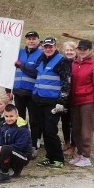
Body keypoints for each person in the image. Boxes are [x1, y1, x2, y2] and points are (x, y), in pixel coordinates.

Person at [31, 37, 71, 168]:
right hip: (39, 101)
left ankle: (58, 159)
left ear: (55, 47)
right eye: (46, 47)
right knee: (43, 130)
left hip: (53, 103)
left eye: (51, 47)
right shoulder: (42, 58)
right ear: (43, 47)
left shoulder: (61, 61)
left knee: (50, 131)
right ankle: (49, 157)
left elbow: (67, 82)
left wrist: (62, 101)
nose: (48, 49)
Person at [69, 39, 94, 168]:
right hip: (74, 101)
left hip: (88, 102)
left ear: (90, 51)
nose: (82, 51)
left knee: (86, 130)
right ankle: (79, 153)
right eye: (80, 49)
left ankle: (86, 156)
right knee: (76, 129)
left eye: (85, 49)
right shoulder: (74, 64)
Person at [7, 30, 42, 152]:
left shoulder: (41, 54)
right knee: (20, 119)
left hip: (32, 92)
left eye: (34, 38)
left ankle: (34, 142)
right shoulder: (19, 52)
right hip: (18, 91)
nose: (31, 41)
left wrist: (21, 65)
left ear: (38, 40)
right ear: (25, 40)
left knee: (34, 119)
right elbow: (9, 70)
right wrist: (8, 89)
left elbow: (35, 72)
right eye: (29, 39)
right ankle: (23, 141)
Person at [0, 104, 34, 184]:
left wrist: (2, 148)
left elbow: (20, 146)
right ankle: (11, 169)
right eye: (6, 116)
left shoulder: (22, 128)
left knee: (5, 148)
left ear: (17, 116)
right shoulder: (4, 127)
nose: (9, 119)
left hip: (23, 156)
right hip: (10, 152)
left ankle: (5, 174)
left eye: (11, 116)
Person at [61, 40, 78, 155]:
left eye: (71, 50)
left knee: (74, 122)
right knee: (64, 120)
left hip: (75, 96)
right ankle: (66, 141)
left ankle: (73, 144)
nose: (69, 52)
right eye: (67, 50)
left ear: (76, 51)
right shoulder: (62, 62)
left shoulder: (78, 63)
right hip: (64, 96)